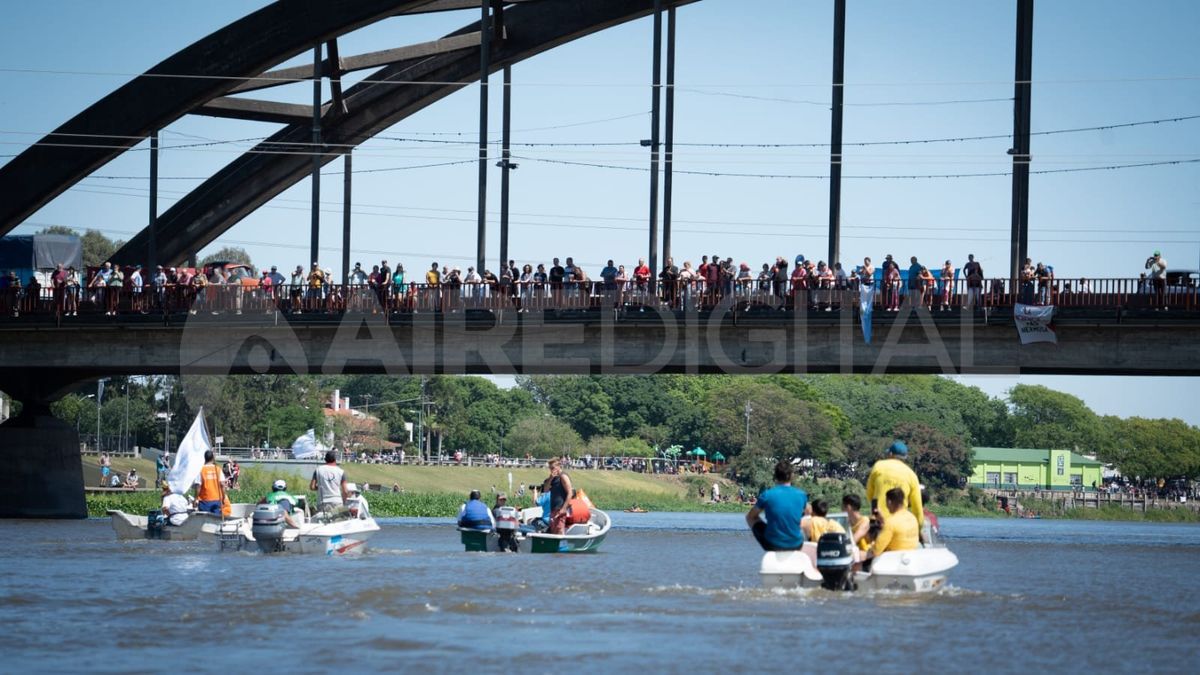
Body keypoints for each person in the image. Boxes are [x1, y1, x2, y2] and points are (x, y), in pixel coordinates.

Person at [744, 460, 807, 551]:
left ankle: (772, 537)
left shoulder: (767, 495)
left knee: (749, 517)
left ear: (776, 476)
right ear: (791, 476)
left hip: (773, 544)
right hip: (796, 544)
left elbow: (751, 516)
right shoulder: (802, 495)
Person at [865, 441, 924, 534]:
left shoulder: (878, 466)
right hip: (899, 525)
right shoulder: (911, 475)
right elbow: (917, 509)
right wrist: (919, 529)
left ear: (890, 454)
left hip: (877, 523)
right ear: (905, 457)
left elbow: (869, 495)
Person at [867, 488, 920, 561]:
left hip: (894, 561)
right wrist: (882, 521)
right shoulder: (912, 517)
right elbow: (897, 530)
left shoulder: (891, 522)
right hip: (911, 558)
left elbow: (876, 551)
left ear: (889, 502)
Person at [546, 458, 575, 534]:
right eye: (550, 468)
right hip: (553, 509)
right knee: (553, 530)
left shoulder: (563, 476)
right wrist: (550, 478)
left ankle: (561, 545)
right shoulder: (552, 478)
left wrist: (564, 508)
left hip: (560, 509)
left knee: (559, 530)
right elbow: (545, 490)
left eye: (553, 468)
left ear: (558, 466)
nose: (551, 470)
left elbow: (570, 493)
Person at [194, 450, 227, 516]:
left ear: (205, 458)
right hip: (216, 500)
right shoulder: (218, 469)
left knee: (205, 521)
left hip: (204, 501)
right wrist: (223, 497)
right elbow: (222, 485)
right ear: (213, 458)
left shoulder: (201, 470)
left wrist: (196, 498)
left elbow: (198, 486)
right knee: (215, 521)